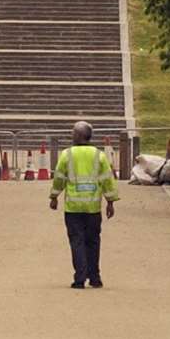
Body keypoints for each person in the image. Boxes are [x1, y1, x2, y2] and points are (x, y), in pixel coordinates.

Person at [49, 121, 119, 288]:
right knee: (93, 241)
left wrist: (54, 196)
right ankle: (95, 277)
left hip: (73, 208)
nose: (71, 135)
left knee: (77, 241)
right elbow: (107, 179)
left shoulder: (67, 154)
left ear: (80, 136)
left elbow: (60, 178)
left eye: (73, 132)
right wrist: (110, 202)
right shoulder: (99, 155)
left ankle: (79, 278)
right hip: (93, 207)